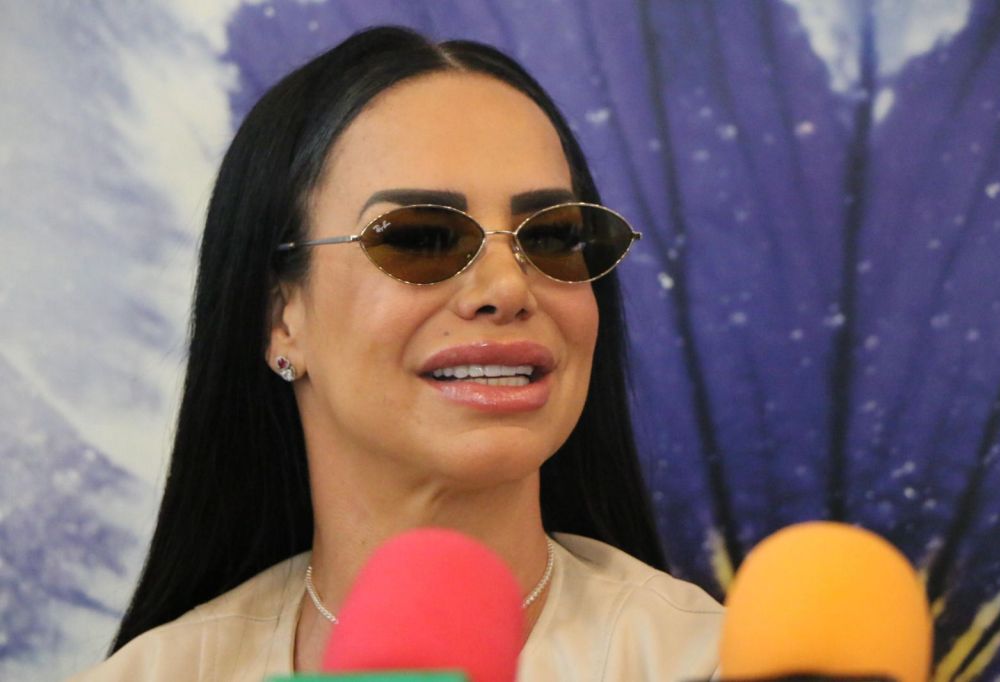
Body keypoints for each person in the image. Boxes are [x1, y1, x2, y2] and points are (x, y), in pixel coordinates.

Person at [71, 25, 722, 681]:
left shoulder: (708, 662)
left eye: (553, 237)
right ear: (279, 317)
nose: (507, 289)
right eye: (420, 238)